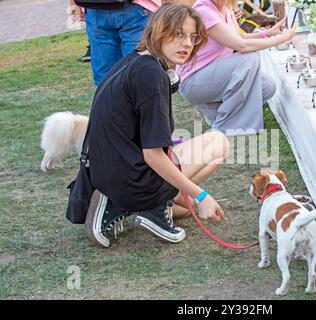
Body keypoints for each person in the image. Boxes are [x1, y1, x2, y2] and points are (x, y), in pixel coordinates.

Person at [84, 3, 229, 248]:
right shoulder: (151, 74)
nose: (187, 44)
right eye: (178, 34)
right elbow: (152, 155)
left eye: (192, 37)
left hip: (102, 170)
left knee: (184, 208)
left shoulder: (134, 60)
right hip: (127, 176)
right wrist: (202, 195)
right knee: (219, 143)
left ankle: (148, 207)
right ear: (159, 31)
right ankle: (131, 203)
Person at [177, 0, 294, 135]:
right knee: (249, 58)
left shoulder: (225, 8)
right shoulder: (204, 10)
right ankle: (226, 126)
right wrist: (281, 39)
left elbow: (239, 36)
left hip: (212, 74)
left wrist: (269, 33)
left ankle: (218, 114)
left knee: (267, 86)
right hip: (193, 81)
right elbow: (242, 45)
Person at [69, 0, 160, 86]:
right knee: (141, 74)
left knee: (106, 80)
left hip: (95, 8)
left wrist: (73, 4)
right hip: (137, 8)